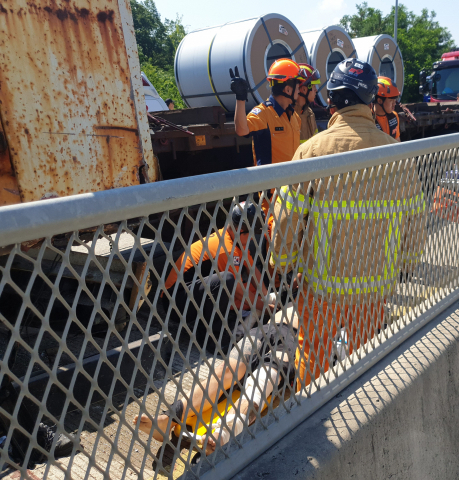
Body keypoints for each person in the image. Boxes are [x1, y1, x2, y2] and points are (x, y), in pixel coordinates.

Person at [269, 59, 418, 389]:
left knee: (313, 353)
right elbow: (414, 217)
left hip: (321, 286)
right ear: (371, 101)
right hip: (375, 286)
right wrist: (406, 263)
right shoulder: (399, 154)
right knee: (366, 356)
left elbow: (286, 219)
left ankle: (312, 415)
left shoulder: (312, 152)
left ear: (332, 101)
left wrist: (282, 264)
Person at [133, 309, 298, 453]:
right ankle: (169, 418)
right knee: (226, 371)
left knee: (262, 382)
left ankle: (222, 433)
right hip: (266, 329)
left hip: (295, 338)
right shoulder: (298, 285)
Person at [162, 201, 275, 354]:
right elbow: (238, 290)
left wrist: (266, 296)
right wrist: (266, 308)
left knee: (248, 288)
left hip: (192, 292)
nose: (252, 239)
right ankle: (208, 336)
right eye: (252, 234)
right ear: (241, 230)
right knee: (228, 281)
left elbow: (253, 269)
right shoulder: (225, 249)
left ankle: (225, 321)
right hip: (175, 302)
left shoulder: (233, 239)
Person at [230, 60, 304, 166]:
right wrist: (240, 99)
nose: (299, 91)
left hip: (293, 180)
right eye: (297, 88)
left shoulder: (295, 117)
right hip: (272, 181)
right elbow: (241, 130)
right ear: (287, 90)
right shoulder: (263, 114)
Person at [295, 63, 321, 143]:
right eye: (313, 87)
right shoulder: (289, 116)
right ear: (303, 89)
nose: (316, 90)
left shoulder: (310, 112)